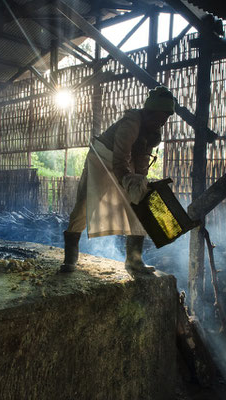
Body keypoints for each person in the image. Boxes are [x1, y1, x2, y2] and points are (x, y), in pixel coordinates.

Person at [60, 86, 175, 274]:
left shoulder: (153, 133)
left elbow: (141, 164)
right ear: (148, 112)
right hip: (101, 159)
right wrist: (128, 181)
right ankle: (70, 260)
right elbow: (120, 160)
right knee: (84, 205)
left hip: (122, 164)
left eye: (165, 120)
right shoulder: (131, 124)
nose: (161, 123)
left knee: (138, 205)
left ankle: (134, 261)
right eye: (158, 118)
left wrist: (140, 185)